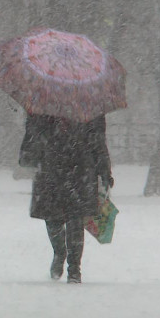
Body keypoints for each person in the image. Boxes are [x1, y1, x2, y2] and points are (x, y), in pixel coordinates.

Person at [19, 114, 113, 283]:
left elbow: (98, 141)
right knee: (52, 218)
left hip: (79, 168)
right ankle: (60, 252)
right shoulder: (43, 107)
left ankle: (74, 268)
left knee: (75, 220)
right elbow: (32, 136)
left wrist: (104, 170)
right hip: (53, 168)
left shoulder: (89, 109)